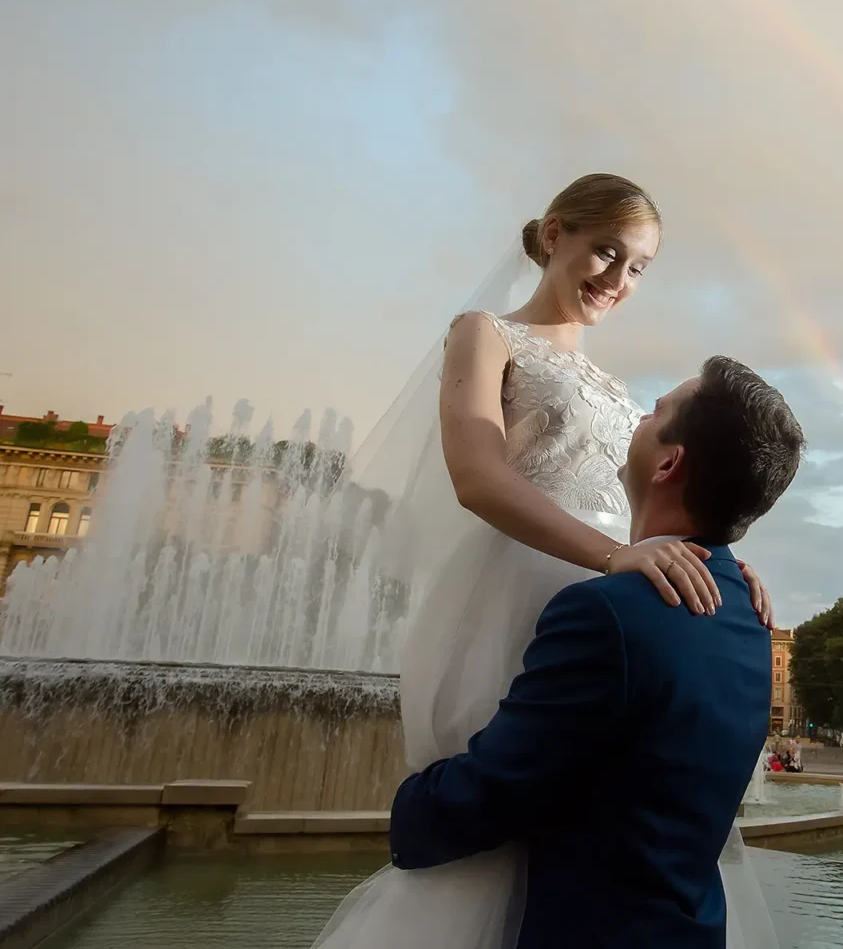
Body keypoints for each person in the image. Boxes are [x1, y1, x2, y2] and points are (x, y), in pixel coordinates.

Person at [311, 175, 792, 949]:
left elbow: (664, 494)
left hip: (618, 609)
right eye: (607, 252)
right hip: (521, 596)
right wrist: (616, 556)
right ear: (554, 234)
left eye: (638, 268)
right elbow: (477, 476)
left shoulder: (620, 390)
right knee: (499, 818)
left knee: (591, 810)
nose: (618, 279)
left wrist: (719, 561)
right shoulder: (485, 333)